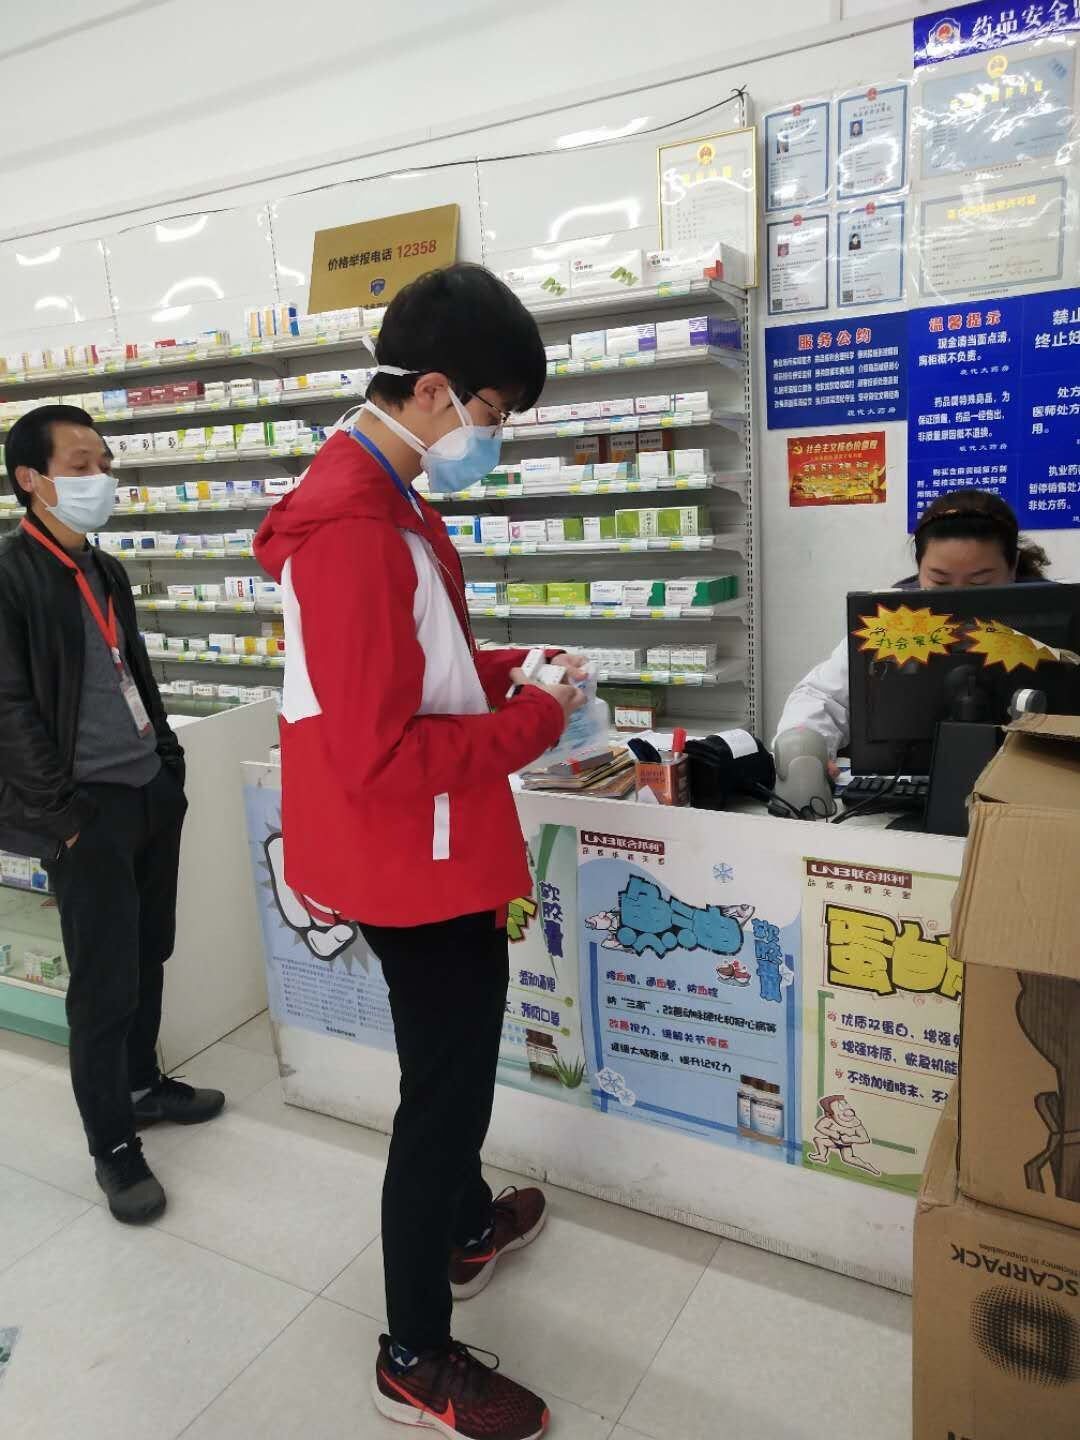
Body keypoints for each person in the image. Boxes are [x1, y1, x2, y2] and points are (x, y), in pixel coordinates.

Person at [254, 263, 585, 1440]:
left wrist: (511, 671)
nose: (494, 438)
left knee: (450, 1069)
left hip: (426, 849)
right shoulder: (355, 525)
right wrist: (536, 722)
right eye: (493, 413)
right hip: (412, 862)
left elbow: (417, 665)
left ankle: (464, 1225)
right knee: (442, 1097)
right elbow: (382, 751)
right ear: (436, 390)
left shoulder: (387, 492)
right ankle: (413, 1354)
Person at [0, 405, 225, 1225]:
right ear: (32, 478)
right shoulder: (10, 575)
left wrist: (168, 763)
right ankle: (113, 1146)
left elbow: (136, 672)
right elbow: (8, 710)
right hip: (85, 811)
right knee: (102, 986)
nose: (101, 477)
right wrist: (63, 815)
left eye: (104, 462)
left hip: (146, 792)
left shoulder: (104, 568)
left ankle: (141, 1085)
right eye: (81, 464)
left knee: (148, 952)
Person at [774, 489, 1051, 763]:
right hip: (910, 778)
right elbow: (822, 697)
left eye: (979, 583)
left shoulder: (1052, 618)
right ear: (919, 569)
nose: (958, 599)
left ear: (1013, 567)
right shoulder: (895, 622)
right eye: (939, 582)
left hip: (1035, 780)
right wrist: (804, 749)